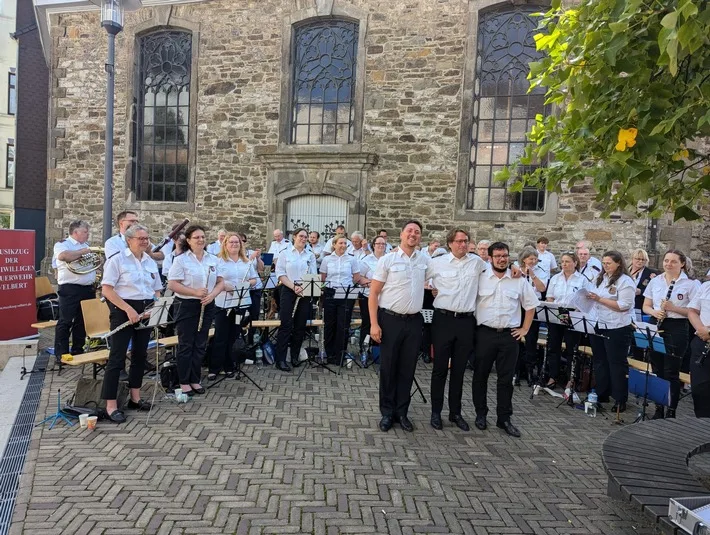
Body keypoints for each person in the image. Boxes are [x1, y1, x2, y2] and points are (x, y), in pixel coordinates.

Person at [369, 220, 429, 432]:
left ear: (420, 237)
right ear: (402, 234)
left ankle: (402, 412)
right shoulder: (388, 260)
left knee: (407, 369)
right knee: (388, 368)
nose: (413, 234)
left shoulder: (425, 260)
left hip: (413, 322)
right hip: (390, 320)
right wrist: (374, 324)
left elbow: (442, 275)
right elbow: (374, 293)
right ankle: (387, 413)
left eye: (417, 232)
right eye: (410, 231)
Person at [473, 242, 539, 438]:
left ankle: (504, 419)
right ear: (490, 258)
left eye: (505, 256)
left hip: (509, 336)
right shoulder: (481, 277)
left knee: (505, 380)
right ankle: (480, 414)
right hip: (484, 333)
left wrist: (525, 329)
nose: (502, 259)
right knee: (480, 377)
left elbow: (530, 305)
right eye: (498, 256)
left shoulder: (518, 280)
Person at [100, 224, 163, 423]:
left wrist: (155, 307)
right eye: (140, 238)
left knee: (140, 356)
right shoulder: (117, 260)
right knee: (117, 358)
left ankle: (135, 398)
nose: (145, 241)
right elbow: (107, 290)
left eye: (147, 238)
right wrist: (128, 309)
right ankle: (111, 406)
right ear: (129, 240)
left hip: (145, 311)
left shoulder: (150, 262)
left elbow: (157, 289)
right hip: (123, 311)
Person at [426, 229, 487, 431]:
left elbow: (495, 273)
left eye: (466, 241)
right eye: (459, 241)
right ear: (450, 243)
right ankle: (436, 412)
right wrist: (431, 288)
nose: (463, 244)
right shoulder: (437, 263)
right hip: (443, 320)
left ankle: (455, 413)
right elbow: (419, 278)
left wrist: (515, 269)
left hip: (466, 322)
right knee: (440, 369)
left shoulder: (477, 263)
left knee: (459, 371)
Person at [167, 225, 224, 396]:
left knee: (200, 344)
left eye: (203, 237)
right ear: (189, 241)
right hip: (187, 306)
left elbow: (220, 281)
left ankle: (195, 378)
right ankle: (184, 381)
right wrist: (195, 292)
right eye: (196, 237)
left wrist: (212, 295)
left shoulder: (213, 259)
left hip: (207, 305)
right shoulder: (181, 260)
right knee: (186, 345)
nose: (200, 240)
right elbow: (172, 284)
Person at [642, 249, 698, 419]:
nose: (668, 264)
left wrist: (673, 308)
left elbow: (694, 311)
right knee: (657, 368)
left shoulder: (691, 284)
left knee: (671, 371)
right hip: (657, 323)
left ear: (682, 264)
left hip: (677, 327)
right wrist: (655, 312)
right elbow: (646, 305)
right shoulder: (656, 281)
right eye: (666, 260)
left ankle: (671, 410)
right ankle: (659, 408)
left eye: (673, 261)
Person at [585, 251, 634, 413]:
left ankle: (620, 399)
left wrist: (599, 299)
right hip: (600, 323)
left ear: (619, 263)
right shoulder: (601, 278)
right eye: (603, 263)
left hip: (617, 327)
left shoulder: (625, 281)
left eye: (608, 263)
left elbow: (623, 305)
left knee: (617, 364)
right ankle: (602, 393)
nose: (605, 266)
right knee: (600, 361)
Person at [210, 233, 258, 380]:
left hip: (240, 303)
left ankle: (229, 366)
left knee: (233, 336)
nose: (234, 244)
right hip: (223, 303)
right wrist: (226, 286)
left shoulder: (246, 262)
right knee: (220, 336)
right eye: (231, 242)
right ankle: (215, 368)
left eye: (237, 242)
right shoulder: (219, 261)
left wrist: (246, 284)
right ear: (225, 244)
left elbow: (254, 280)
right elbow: (214, 281)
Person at [274, 228, 318, 371]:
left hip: (304, 292)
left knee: (300, 326)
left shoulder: (310, 256)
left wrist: (304, 288)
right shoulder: (285, 254)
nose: (303, 239)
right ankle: (280, 359)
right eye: (301, 236)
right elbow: (280, 274)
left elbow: (313, 274)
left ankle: (294, 356)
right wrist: (294, 287)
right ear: (294, 237)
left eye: (306, 237)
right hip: (288, 290)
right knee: (286, 325)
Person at [52, 220, 96, 362]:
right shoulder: (63, 244)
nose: (87, 234)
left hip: (87, 288)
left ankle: (78, 349)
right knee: (65, 320)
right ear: (75, 232)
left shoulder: (86, 246)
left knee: (82, 321)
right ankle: (61, 353)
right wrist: (84, 252)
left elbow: (92, 263)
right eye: (85, 231)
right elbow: (63, 257)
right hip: (70, 288)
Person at [544, 252, 586, 389]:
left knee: (571, 349)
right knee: (553, 346)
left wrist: (574, 314)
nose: (564, 264)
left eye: (567, 261)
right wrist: (555, 310)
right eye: (562, 261)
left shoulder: (582, 279)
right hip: (557, 312)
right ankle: (552, 376)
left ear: (575, 263)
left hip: (573, 315)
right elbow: (550, 297)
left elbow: (585, 299)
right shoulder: (555, 278)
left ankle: (571, 379)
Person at [321, 236, 364, 364]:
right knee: (330, 324)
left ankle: (340, 355)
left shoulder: (352, 259)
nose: (343, 245)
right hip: (330, 293)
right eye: (340, 243)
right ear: (334, 245)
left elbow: (356, 277)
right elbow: (323, 278)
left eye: (345, 243)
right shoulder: (327, 259)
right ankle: (329, 354)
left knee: (343, 325)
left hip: (346, 293)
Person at [517, 246, 549, 387]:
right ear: (524, 259)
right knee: (517, 339)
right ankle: (517, 370)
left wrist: (533, 275)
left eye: (535, 259)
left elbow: (542, 288)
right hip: (518, 308)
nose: (533, 261)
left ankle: (530, 370)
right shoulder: (516, 270)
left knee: (531, 339)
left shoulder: (540, 271)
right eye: (531, 259)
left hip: (533, 308)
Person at [359, 236, 387, 353]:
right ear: (373, 245)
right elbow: (359, 277)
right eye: (378, 243)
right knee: (367, 323)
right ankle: (364, 349)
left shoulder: (388, 259)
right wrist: (372, 284)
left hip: (384, 298)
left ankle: (377, 350)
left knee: (382, 324)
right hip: (367, 296)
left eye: (383, 244)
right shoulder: (366, 260)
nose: (381, 245)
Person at [688, 281, 710, 417]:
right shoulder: (706, 286)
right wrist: (701, 330)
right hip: (702, 340)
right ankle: (703, 428)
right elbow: (692, 311)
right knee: (699, 389)